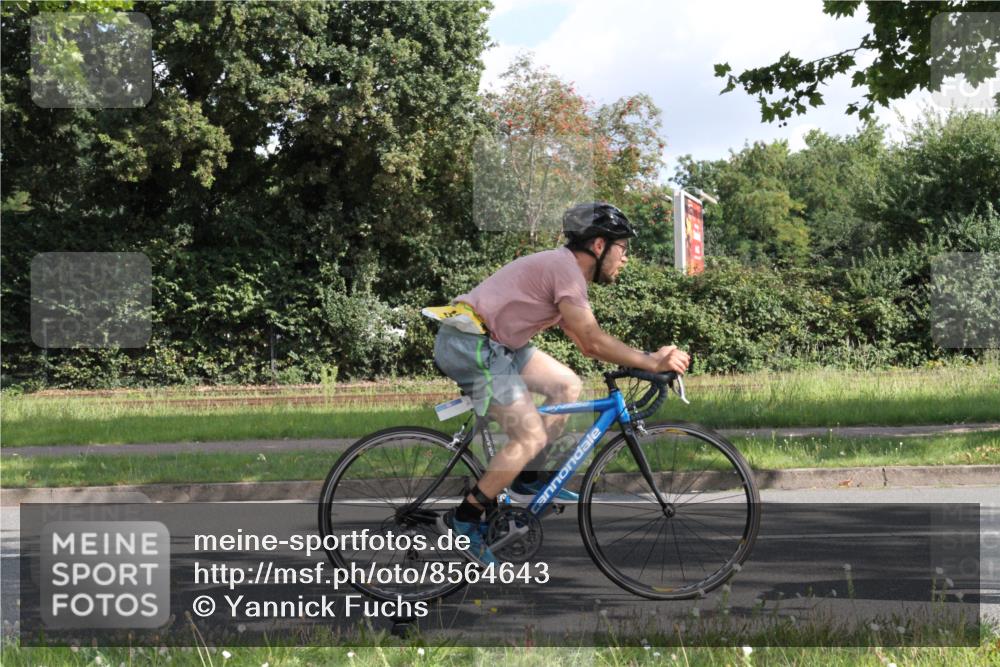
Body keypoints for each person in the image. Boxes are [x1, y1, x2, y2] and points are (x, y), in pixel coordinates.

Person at [431, 202, 690, 565]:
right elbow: (593, 342)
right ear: (599, 245)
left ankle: (527, 478)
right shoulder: (565, 272)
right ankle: (464, 519)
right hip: (472, 344)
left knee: (566, 385)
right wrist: (652, 361)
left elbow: (587, 342)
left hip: (498, 344)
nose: (625, 258)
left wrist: (646, 357)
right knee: (529, 436)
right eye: (622, 248)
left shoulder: (565, 272)